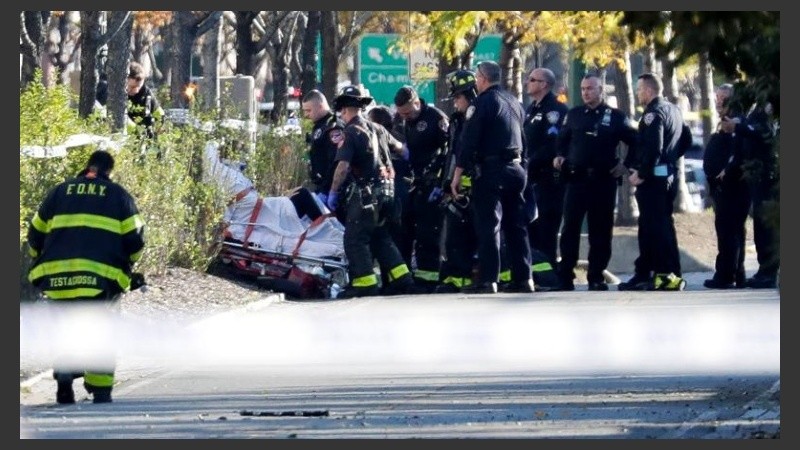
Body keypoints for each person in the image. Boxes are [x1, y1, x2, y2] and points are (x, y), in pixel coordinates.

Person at [26, 150, 146, 404]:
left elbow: (35, 232)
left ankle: (64, 377)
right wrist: (129, 265)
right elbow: (135, 238)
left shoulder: (60, 191)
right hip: (100, 280)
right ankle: (101, 391)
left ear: (87, 166)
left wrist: (38, 257)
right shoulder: (118, 196)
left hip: (57, 279)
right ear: (109, 171)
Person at [450, 60, 534, 294]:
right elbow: (524, 141)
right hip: (516, 170)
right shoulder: (514, 102)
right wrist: (523, 169)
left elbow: (469, 142)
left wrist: (457, 174)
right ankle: (524, 279)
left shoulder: (482, 103)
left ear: (483, 79)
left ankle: (489, 280)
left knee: (490, 225)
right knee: (516, 227)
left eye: (477, 77)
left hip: (492, 170)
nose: (476, 81)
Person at [326, 85, 417, 298]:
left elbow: (343, 167)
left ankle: (364, 283)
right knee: (380, 237)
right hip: (389, 194)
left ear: (345, 110)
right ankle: (404, 279)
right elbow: (403, 151)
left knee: (354, 239)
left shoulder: (350, 133)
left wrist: (333, 192)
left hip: (366, 196)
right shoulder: (378, 129)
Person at [553, 74, 638, 291]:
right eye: (583, 89)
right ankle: (566, 274)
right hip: (576, 179)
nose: (586, 93)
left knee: (600, 230)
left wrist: (626, 164)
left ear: (601, 90)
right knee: (570, 227)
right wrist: (560, 156)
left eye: (590, 88)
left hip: (602, 180)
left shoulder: (616, 116)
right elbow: (561, 141)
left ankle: (596, 275)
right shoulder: (574, 115)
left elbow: (635, 142)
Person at [619, 72, 691, 291]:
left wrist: (641, 173)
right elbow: (685, 140)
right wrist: (670, 160)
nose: (638, 93)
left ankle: (662, 275)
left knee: (655, 228)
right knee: (660, 226)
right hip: (666, 177)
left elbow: (653, 148)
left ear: (649, 90)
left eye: (640, 89)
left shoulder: (653, 114)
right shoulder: (674, 110)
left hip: (653, 181)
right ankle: (654, 273)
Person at [393, 86, 450, 292]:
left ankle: (428, 278)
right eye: (402, 114)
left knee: (428, 233)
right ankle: (408, 276)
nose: (405, 117)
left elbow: (449, 150)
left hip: (432, 183)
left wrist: (441, 180)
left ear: (416, 103)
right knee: (406, 230)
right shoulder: (401, 119)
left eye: (408, 113)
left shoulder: (436, 118)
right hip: (413, 182)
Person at [720, 99, 779, 289]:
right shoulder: (755, 105)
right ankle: (764, 270)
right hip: (755, 173)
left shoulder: (771, 104)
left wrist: (739, 126)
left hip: (767, 172)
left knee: (766, 226)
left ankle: (769, 272)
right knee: (760, 226)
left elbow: (765, 133)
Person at [702, 84, 751, 289]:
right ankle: (736, 272)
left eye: (723, 98)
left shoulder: (737, 123)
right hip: (722, 188)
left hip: (733, 187)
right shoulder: (724, 123)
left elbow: (738, 153)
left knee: (730, 231)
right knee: (730, 230)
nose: (719, 102)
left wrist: (726, 172)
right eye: (717, 98)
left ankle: (726, 274)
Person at [523, 67, 569, 270]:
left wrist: (530, 161)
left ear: (544, 84)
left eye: (532, 79)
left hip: (548, 180)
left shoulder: (555, 110)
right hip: (530, 179)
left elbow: (552, 144)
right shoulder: (531, 108)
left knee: (546, 230)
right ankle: (536, 271)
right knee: (532, 229)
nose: (527, 82)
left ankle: (548, 273)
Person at [301, 89, 345, 202]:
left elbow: (335, 162)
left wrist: (329, 190)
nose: (306, 115)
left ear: (320, 106)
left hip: (330, 188)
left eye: (309, 110)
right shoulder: (320, 126)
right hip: (320, 185)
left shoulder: (333, 127)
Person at [126, 61, 164, 139]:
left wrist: (159, 128)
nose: (136, 91)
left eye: (138, 87)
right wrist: (135, 130)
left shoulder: (146, 93)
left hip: (145, 139)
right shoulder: (117, 95)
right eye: (132, 87)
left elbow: (159, 114)